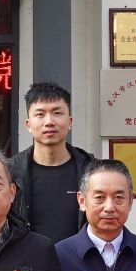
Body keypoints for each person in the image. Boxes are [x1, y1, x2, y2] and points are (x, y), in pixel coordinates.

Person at [6, 81, 94, 244]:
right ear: (28, 124)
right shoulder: (10, 172)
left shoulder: (92, 170)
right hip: (26, 259)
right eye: (40, 114)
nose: (49, 122)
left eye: (57, 113)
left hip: (79, 259)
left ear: (70, 122)